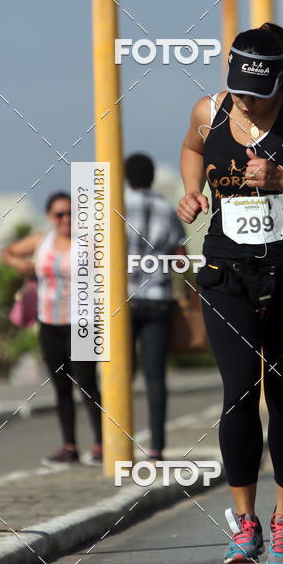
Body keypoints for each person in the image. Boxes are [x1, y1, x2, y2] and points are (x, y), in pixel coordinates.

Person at [178, 22, 283, 564]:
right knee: (238, 391)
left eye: (258, 91)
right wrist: (192, 191)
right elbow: (190, 147)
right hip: (226, 271)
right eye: (240, 90)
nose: (247, 102)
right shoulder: (211, 110)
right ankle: (245, 519)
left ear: (281, 80)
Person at [1, 192, 103, 465]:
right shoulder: (41, 241)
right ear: (49, 217)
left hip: (83, 321)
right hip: (49, 323)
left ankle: (102, 444)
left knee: (87, 384)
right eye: (60, 214)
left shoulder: (89, 242)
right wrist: (19, 263)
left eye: (71, 212)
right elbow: (7, 252)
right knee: (61, 387)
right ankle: (69, 446)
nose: (66, 219)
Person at [125, 153, 186, 461]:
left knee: (120, 374)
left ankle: (116, 444)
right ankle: (157, 448)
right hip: (159, 299)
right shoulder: (167, 208)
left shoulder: (116, 205)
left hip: (122, 301)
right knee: (155, 377)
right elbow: (180, 257)